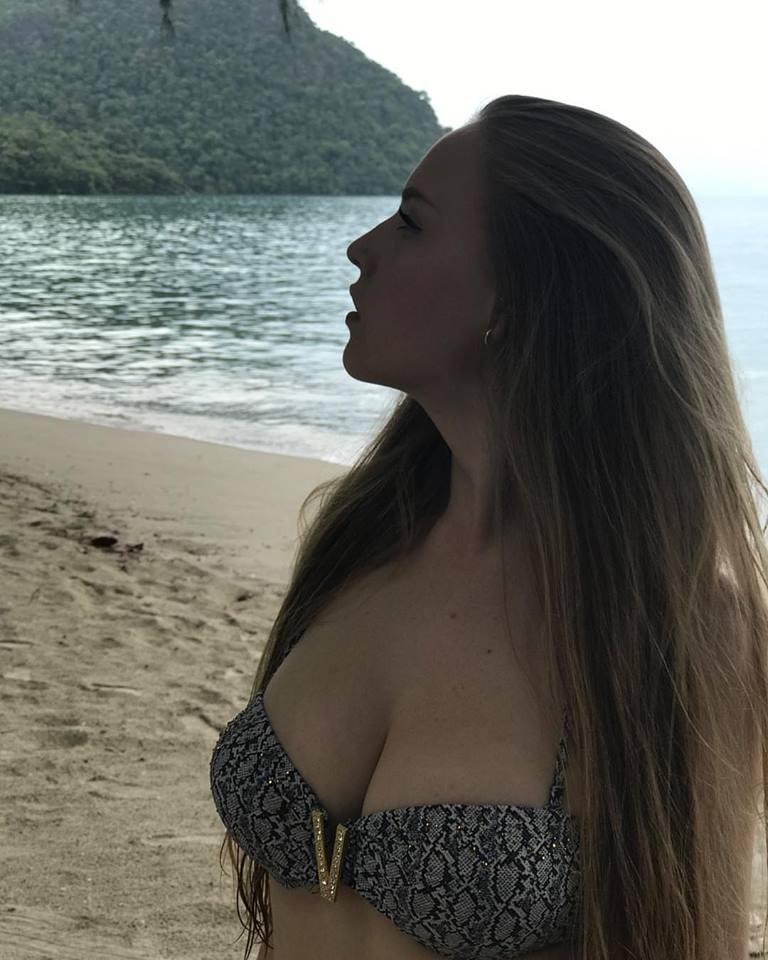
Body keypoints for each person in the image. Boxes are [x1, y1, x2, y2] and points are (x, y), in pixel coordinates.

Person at [210, 95, 767, 960]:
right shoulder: (362, 538)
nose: (362, 249)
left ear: (523, 291)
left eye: (411, 223)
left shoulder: (682, 623)